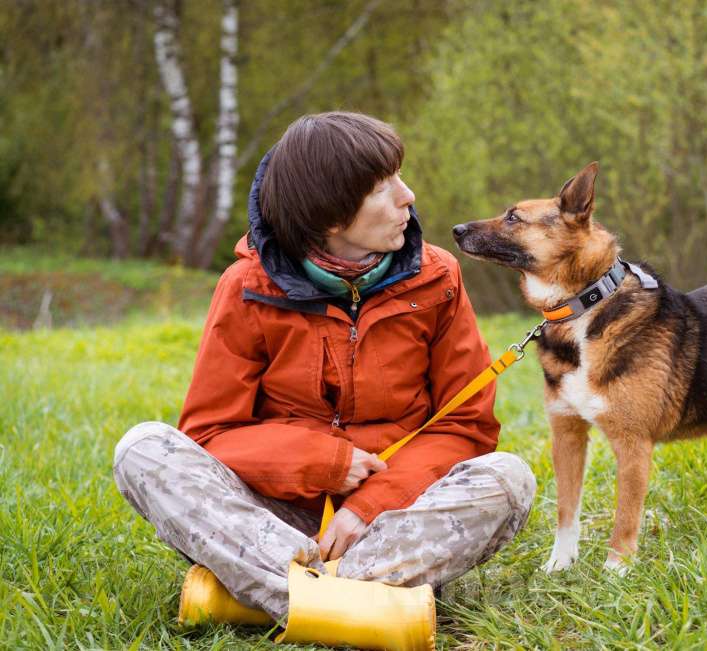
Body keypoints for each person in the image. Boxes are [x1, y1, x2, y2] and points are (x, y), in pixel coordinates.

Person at [112, 112, 537, 624]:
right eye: (385, 188)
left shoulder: (438, 277)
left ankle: (271, 594)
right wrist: (326, 463)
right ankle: (361, 600)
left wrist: (368, 505)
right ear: (332, 218)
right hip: (267, 522)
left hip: (393, 519)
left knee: (508, 479)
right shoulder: (246, 287)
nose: (409, 196)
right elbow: (210, 434)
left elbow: (464, 427)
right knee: (142, 449)